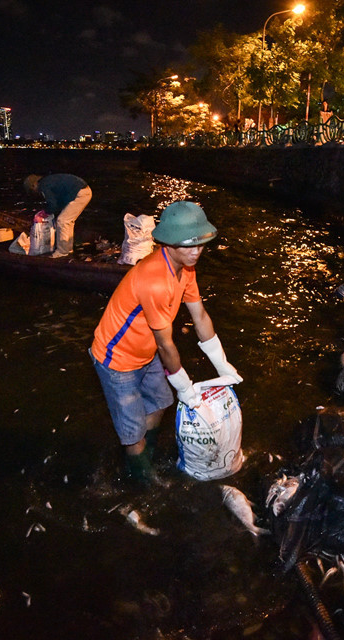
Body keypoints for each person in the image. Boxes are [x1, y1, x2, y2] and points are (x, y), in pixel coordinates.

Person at [90, 201, 242, 485]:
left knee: (161, 402)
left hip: (146, 354)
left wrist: (223, 364)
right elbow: (166, 345)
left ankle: (146, 453)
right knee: (132, 431)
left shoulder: (186, 269)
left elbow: (200, 316)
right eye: (188, 245)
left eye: (200, 244)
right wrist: (185, 386)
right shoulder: (155, 280)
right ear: (169, 242)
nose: (196, 252)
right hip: (117, 360)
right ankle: (143, 479)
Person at [23, 173, 92, 258]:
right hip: (83, 191)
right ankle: (68, 249)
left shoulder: (44, 186)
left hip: (80, 194)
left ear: (34, 185)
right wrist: (47, 211)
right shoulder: (48, 181)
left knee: (62, 221)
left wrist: (45, 213)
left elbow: (53, 204)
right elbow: (57, 202)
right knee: (67, 221)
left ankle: (62, 252)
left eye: (32, 190)